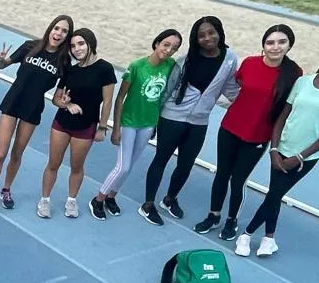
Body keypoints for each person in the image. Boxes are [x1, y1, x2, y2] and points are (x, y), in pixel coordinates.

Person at [234, 39, 319, 257]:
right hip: (282, 149)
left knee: (274, 195)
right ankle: (269, 239)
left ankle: (246, 233)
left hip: (304, 158)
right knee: (275, 195)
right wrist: (274, 150)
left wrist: (300, 156)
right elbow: (283, 116)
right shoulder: (302, 82)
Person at [191, 24, 302, 241]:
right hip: (230, 127)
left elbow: (289, 107)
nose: (275, 47)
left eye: (281, 42)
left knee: (238, 180)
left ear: (289, 45)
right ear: (263, 45)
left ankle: (231, 220)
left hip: (258, 137)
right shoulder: (250, 63)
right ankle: (213, 215)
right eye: (270, 42)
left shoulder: (294, 73)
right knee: (221, 173)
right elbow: (239, 86)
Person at [139, 16, 239, 226]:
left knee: (186, 164)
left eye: (211, 32)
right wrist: (154, 121)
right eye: (201, 35)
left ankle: (170, 199)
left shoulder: (230, 59)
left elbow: (230, 89)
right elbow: (167, 90)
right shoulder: (185, 61)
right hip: (172, 117)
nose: (207, 38)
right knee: (161, 159)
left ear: (219, 32)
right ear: (196, 39)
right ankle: (148, 204)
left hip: (199, 122)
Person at [0, 14, 72, 216]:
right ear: (50, 29)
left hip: (33, 108)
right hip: (13, 102)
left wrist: (64, 103)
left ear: (67, 37)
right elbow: (3, 64)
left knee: (17, 153)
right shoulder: (30, 47)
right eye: (56, 28)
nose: (59, 33)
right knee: (1, 153)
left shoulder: (63, 61)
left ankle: (6, 190)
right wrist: (1, 60)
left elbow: (59, 95)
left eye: (64, 31)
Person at [92, 29, 181, 219]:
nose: (169, 50)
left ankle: (111, 197)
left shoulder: (171, 66)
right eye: (166, 45)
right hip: (129, 122)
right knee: (122, 166)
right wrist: (115, 127)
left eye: (174, 48)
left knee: (130, 165)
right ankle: (98, 199)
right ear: (157, 43)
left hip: (148, 123)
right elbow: (120, 98)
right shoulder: (137, 66)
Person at [37, 28, 116, 219]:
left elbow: (108, 101)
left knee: (76, 166)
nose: (76, 49)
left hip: (86, 126)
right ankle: (44, 200)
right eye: (72, 46)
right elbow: (56, 98)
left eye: (80, 44)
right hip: (62, 124)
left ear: (90, 43)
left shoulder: (105, 68)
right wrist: (67, 104)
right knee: (53, 164)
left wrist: (102, 127)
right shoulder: (70, 69)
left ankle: (71, 201)